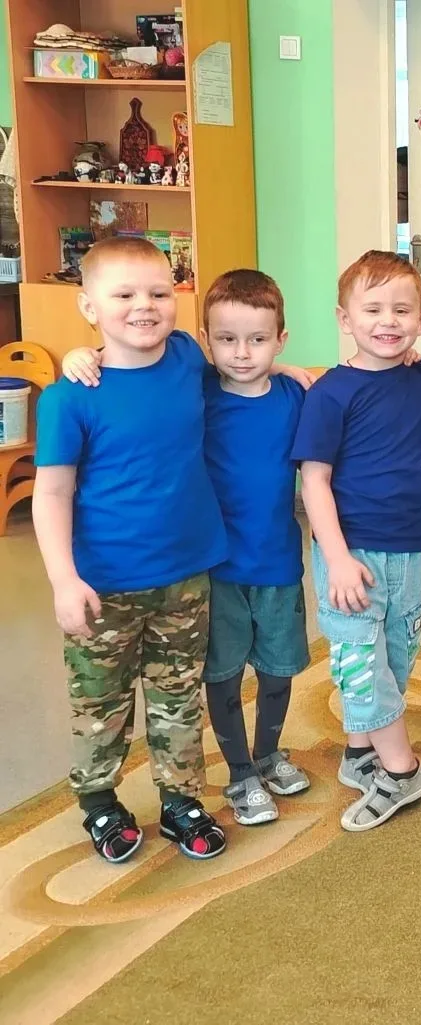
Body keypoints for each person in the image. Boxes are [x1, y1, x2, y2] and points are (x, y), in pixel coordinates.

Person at [59, 269, 320, 827]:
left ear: (281, 339)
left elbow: (346, 394)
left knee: (279, 670)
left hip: (278, 563)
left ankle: (269, 755)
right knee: (220, 674)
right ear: (205, 341)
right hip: (214, 567)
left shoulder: (294, 394)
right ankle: (240, 772)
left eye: (258, 340)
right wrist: (80, 354)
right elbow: (130, 364)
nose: (242, 352)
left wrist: (289, 369)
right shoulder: (195, 386)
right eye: (226, 339)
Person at [34, 236, 229, 861]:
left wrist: (287, 370)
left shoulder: (186, 355)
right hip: (103, 584)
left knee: (179, 695)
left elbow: (238, 367)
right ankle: (98, 801)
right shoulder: (69, 396)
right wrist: (63, 580)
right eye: (123, 295)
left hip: (186, 572)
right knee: (101, 701)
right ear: (89, 307)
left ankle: (180, 799)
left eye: (158, 292)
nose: (144, 305)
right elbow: (52, 493)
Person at [292, 249, 421, 831]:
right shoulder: (330, 392)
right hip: (350, 552)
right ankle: (402, 771)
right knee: (358, 660)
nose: (388, 321)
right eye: (372, 309)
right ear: (344, 318)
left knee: (395, 657)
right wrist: (336, 558)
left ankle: (360, 753)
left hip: (413, 548)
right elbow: (314, 481)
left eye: (402, 309)